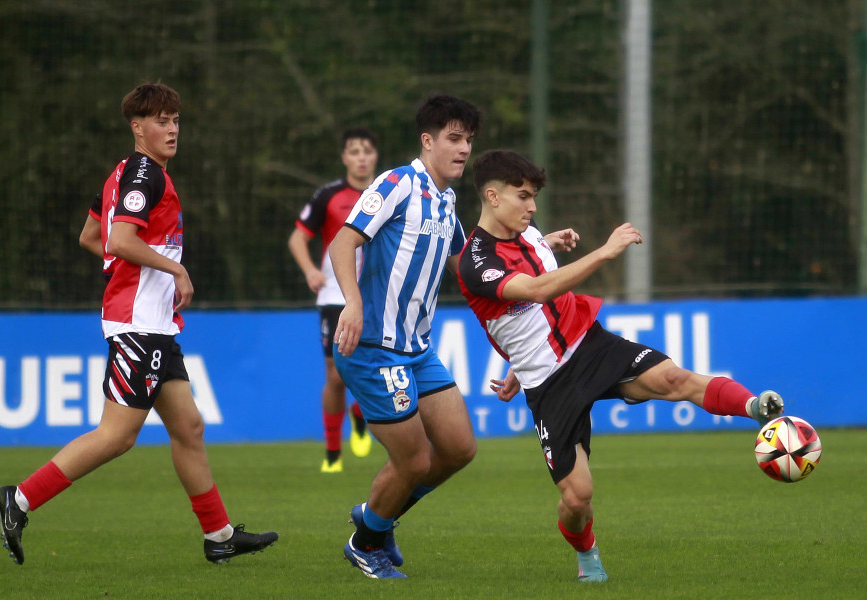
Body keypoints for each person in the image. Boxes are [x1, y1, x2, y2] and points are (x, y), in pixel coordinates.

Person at [457, 149, 784, 583]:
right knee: (578, 498)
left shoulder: (530, 232)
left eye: (534, 196)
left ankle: (756, 407)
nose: (532, 206)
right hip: (550, 382)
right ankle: (587, 554)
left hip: (589, 344)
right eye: (523, 196)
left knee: (673, 378)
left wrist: (549, 242)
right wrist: (604, 253)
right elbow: (535, 291)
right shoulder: (475, 260)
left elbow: (530, 297)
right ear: (493, 197)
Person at [0, 82, 278, 566]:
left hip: (154, 326)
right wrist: (172, 269)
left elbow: (92, 236)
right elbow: (120, 239)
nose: (171, 129)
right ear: (137, 127)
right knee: (117, 436)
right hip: (138, 325)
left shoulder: (124, 172)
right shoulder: (146, 173)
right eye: (161, 121)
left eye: (175, 120)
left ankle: (219, 536)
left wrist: (132, 269)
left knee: (188, 427)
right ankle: (16, 500)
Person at [330, 94, 483, 579]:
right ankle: (366, 542)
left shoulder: (447, 200)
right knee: (414, 460)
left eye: (468, 141)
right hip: (374, 349)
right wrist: (352, 302)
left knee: (459, 448)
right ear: (428, 140)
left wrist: (537, 245)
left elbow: (472, 262)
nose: (462, 149)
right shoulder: (397, 183)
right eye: (454, 139)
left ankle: (379, 517)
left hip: (415, 349)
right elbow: (342, 241)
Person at [288, 127, 378, 473]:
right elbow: (298, 238)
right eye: (354, 151)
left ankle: (360, 414)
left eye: (367, 151)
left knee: (375, 371)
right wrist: (311, 270)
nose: (361, 157)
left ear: (375, 158)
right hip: (333, 296)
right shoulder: (329, 195)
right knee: (336, 376)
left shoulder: (386, 193)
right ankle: (333, 454)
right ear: (344, 158)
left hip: (373, 297)